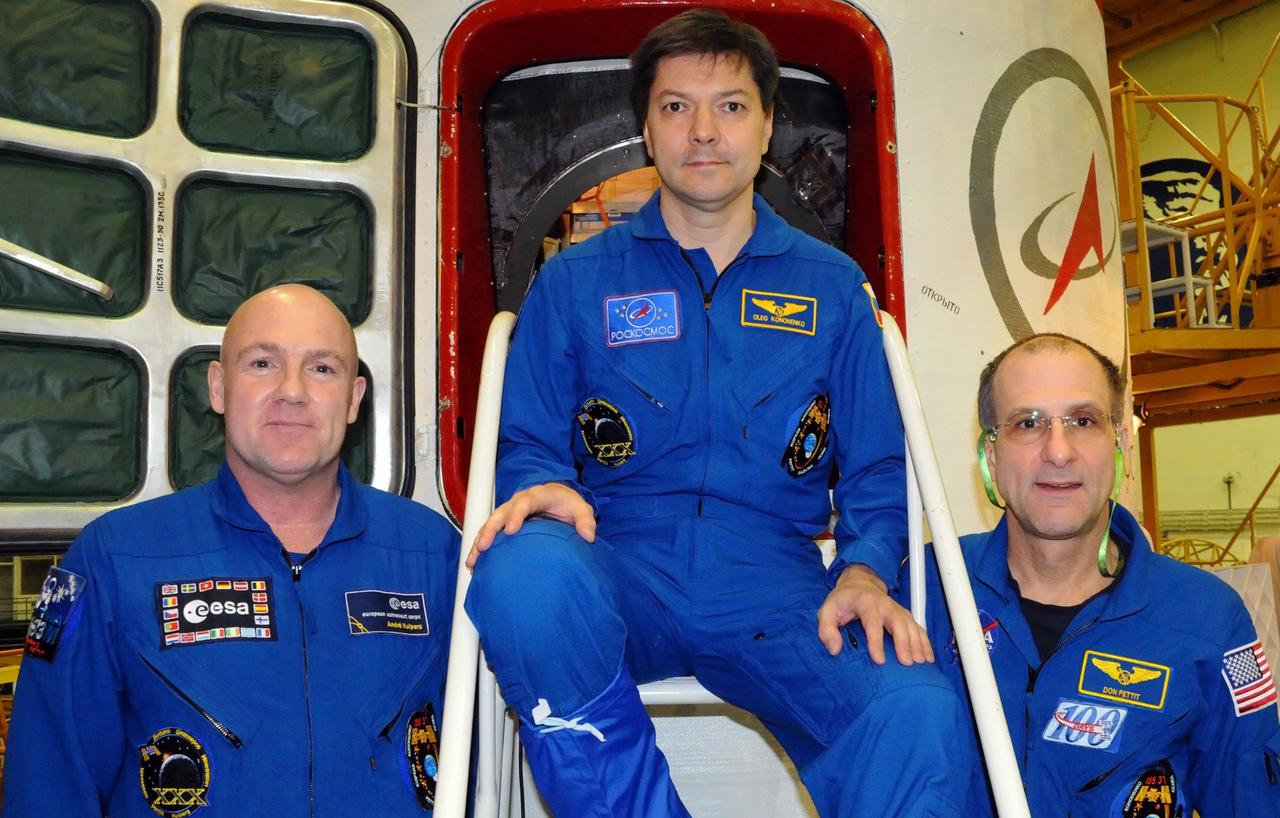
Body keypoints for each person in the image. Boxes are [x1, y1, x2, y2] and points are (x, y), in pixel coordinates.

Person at [464, 9, 977, 817]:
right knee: (521, 574)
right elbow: (526, 441)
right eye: (676, 107)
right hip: (617, 568)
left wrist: (867, 569)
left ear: (768, 126)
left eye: (731, 106)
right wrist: (541, 487)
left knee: (916, 709)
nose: (703, 131)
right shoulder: (572, 285)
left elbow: (879, 469)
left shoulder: (834, 290)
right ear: (645, 126)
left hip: (777, 587)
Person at [4, 284, 460, 816]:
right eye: (263, 363)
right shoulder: (115, 559)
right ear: (219, 387)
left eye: (322, 369)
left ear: (355, 399)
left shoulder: (434, 555)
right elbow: (50, 785)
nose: (292, 391)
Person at [912, 332, 1280, 816]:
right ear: (992, 456)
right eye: (1028, 423)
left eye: (1083, 421)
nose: (1059, 451)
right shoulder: (922, 590)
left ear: (1119, 444)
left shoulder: (1210, 619)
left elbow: (1253, 801)